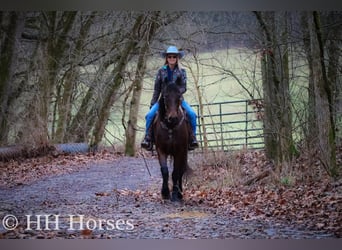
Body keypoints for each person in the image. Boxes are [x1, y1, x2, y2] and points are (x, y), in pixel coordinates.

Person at [141, 45, 199, 151]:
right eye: (169, 57)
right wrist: (153, 104)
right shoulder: (161, 72)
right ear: (166, 58)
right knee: (149, 115)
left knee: (192, 114)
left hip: (178, 100)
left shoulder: (182, 72)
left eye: (174, 57)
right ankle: (147, 138)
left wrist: (174, 93)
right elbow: (157, 89)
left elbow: (184, 87)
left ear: (177, 58)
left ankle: (192, 138)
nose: (172, 59)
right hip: (163, 100)